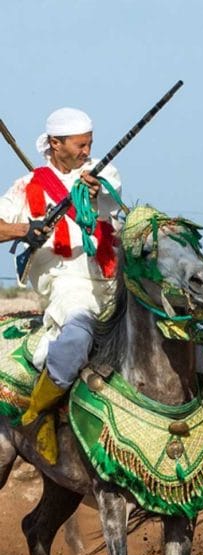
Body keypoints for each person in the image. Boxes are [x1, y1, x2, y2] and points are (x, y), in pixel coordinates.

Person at [0, 107, 122, 465]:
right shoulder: (27, 188)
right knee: (79, 334)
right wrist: (26, 229)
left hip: (113, 277)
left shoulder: (102, 171)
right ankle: (38, 414)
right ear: (55, 143)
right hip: (66, 281)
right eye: (81, 145)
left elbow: (112, 195)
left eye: (90, 144)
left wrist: (97, 187)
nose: (87, 151)